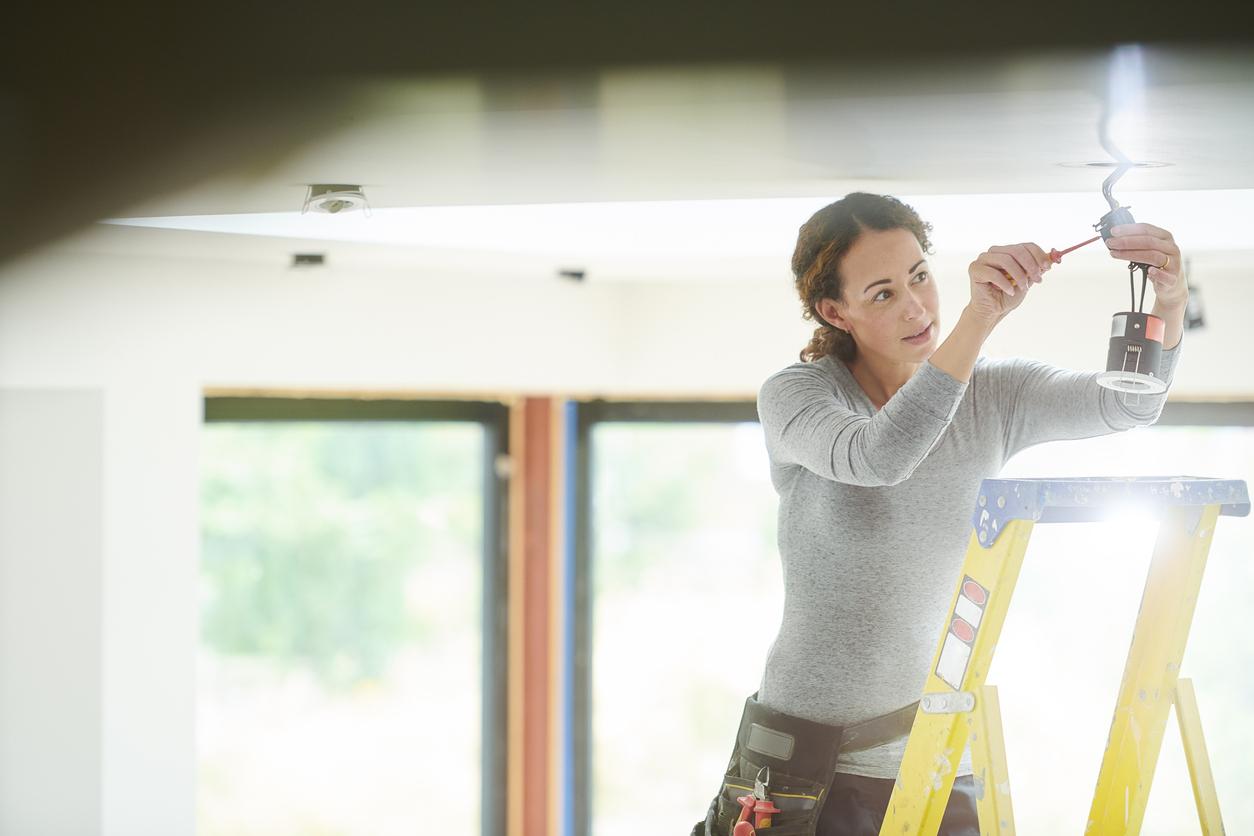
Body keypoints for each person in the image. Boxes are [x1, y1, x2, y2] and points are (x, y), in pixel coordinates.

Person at [693, 192, 1188, 836]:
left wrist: (1171, 303)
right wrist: (977, 322)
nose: (917, 307)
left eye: (919, 276)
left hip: (937, 757)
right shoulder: (799, 395)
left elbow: (1129, 405)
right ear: (833, 311)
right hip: (808, 766)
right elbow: (879, 457)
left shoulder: (993, 395)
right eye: (883, 294)